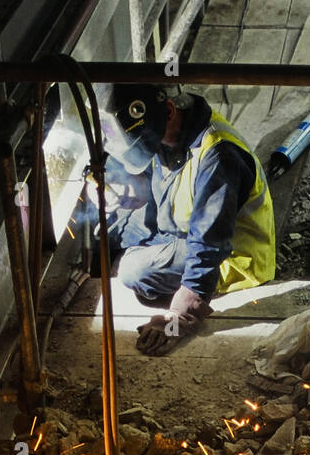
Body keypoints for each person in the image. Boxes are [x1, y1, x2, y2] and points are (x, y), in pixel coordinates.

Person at [103, 84, 276, 356]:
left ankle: (167, 272)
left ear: (170, 111)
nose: (153, 149)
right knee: (115, 228)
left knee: (132, 270)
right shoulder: (170, 130)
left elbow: (209, 244)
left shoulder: (219, 155)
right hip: (178, 225)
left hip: (232, 255)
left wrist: (179, 318)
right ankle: (152, 251)